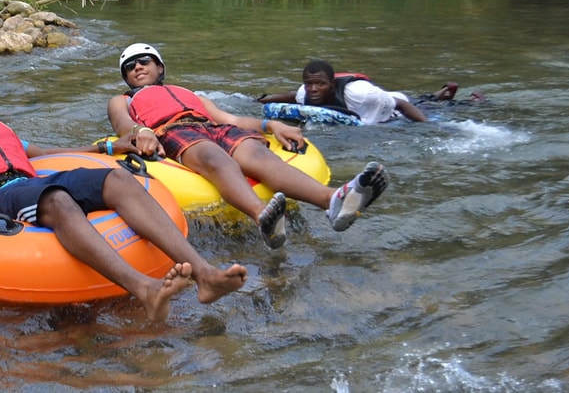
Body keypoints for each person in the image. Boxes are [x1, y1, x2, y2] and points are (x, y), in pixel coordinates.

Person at [0, 63, 249, 321]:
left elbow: (47, 155)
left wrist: (108, 148)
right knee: (56, 200)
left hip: (30, 183)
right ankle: (143, 289)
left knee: (118, 180)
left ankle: (205, 274)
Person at [108, 44, 389, 249]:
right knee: (213, 157)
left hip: (211, 126)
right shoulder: (123, 100)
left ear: (159, 67)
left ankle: (333, 201)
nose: (137, 68)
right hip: (171, 130)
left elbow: (229, 119)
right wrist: (141, 131)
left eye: (144, 61)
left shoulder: (189, 94)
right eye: (130, 67)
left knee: (257, 154)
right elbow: (122, 125)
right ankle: (260, 215)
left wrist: (271, 125)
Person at [256, 59, 430, 124]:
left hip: (395, 110)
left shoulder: (361, 94)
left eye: (320, 84)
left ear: (332, 84)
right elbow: (292, 97)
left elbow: (400, 104)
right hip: (366, 111)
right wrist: (262, 101)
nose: (313, 89)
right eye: (309, 84)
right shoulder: (304, 92)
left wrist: (427, 127)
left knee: (428, 104)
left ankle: (440, 95)